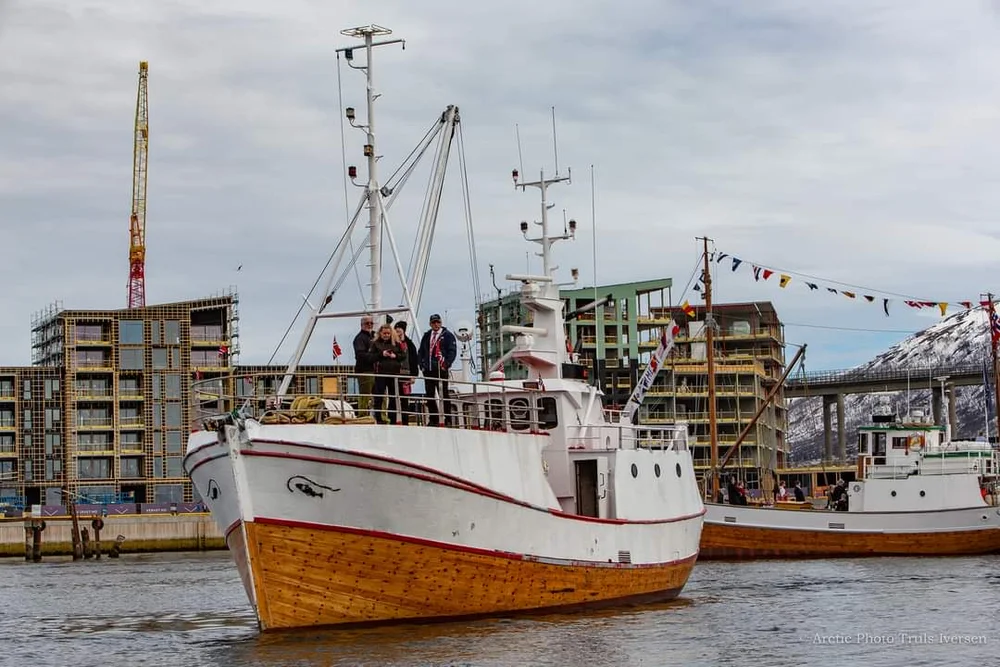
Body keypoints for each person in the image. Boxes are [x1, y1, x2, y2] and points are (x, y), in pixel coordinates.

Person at [417, 313, 457, 426]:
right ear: (430, 324)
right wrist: (422, 365)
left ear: (441, 323)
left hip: (441, 369)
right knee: (429, 395)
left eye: (437, 322)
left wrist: (446, 364)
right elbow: (421, 351)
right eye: (433, 322)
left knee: (443, 394)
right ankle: (433, 418)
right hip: (428, 370)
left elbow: (452, 351)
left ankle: (448, 418)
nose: (436, 324)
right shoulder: (427, 335)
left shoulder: (447, 335)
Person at [369, 324, 407, 424]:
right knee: (379, 397)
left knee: (393, 397)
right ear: (380, 333)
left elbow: (403, 355)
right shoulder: (375, 344)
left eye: (388, 333)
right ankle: (379, 418)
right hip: (380, 373)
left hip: (393, 374)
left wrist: (395, 356)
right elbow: (370, 357)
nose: (386, 335)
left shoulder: (396, 343)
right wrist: (382, 354)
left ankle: (392, 418)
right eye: (384, 333)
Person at [393, 320, 419, 424]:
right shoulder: (393, 343)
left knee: (404, 399)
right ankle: (394, 419)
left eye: (399, 330)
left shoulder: (410, 344)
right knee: (394, 398)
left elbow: (414, 360)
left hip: (406, 374)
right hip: (394, 373)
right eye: (396, 330)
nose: (397, 332)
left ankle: (405, 420)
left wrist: (414, 375)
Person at [353, 315, 377, 413]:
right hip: (365, 371)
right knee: (365, 395)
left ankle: (381, 416)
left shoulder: (374, 337)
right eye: (367, 323)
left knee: (381, 395)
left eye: (371, 323)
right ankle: (362, 415)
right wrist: (375, 356)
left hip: (376, 371)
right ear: (362, 325)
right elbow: (360, 354)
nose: (370, 325)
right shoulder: (360, 338)